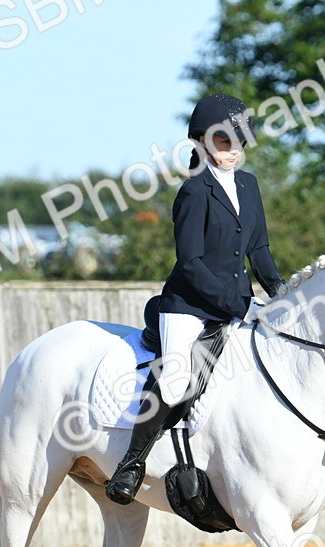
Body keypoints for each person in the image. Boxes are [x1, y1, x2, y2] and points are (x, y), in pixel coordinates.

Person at [105, 93, 288, 505]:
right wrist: (240, 305)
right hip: (188, 306)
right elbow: (190, 264)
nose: (234, 152)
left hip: (237, 302)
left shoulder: (249, 185)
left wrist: (280, 293)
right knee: (173, 381)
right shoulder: (194, 192)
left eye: (239, 143)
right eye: (225, 143)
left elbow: (258, 250)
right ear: (202, 142)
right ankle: (131, 464)